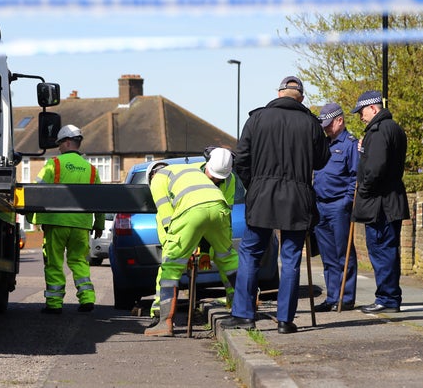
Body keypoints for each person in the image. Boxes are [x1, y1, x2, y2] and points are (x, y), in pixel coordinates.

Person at [222, 76, 330, 333]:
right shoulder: (311, 124)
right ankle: (285, 320)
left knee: (250, 254)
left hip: (262, 197)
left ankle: (244, 314)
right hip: (297, 199)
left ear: (279, 94)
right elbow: (322, 161)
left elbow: (241, 160)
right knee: (290, 258)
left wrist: (255, 184)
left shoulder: (257, 119)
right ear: (301, 98)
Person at [144, 155, 238, 337]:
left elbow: (166, 217)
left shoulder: (158, 180)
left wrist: (180, 247)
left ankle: (164, 323)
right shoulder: (192, 169)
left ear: (151, 176)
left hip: (192, 211)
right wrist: (200, 246)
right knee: (228, 258)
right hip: (219, 207)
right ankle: (241, 310)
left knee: (171, 267)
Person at [26, 124, 105, 314]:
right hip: (81, 225)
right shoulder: (92, 170)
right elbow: (101, 199)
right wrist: (99, 224)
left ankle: (54, 304)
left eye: (60, 144)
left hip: (56, 222)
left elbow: (37, 190)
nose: (59, 148)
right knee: (79, 261)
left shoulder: (54, 164)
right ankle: (87, 299)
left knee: (54, 262)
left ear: (67, 142)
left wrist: (31, 215)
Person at [350, 90, 409, 313]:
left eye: (362, 112)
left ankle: (387, 298)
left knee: (381, 250)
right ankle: (388, 296)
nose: (361, 117)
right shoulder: (393, 129)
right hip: (389, 200)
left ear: (373, 108)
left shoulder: (379, 130)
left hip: (380, 204)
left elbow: (375, 169)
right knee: (388, 250)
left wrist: (363, 190)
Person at [312, 102, 359, 312]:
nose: (326, 129)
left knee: (344, 254)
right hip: (320, 205)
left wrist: (347, 201)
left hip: (339, 205)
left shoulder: (350, 144)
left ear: (339, 120)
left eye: (329, 125)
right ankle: (332, 297)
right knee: (328, 256)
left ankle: (345, 298)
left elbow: (356, 176)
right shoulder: (322, 144)